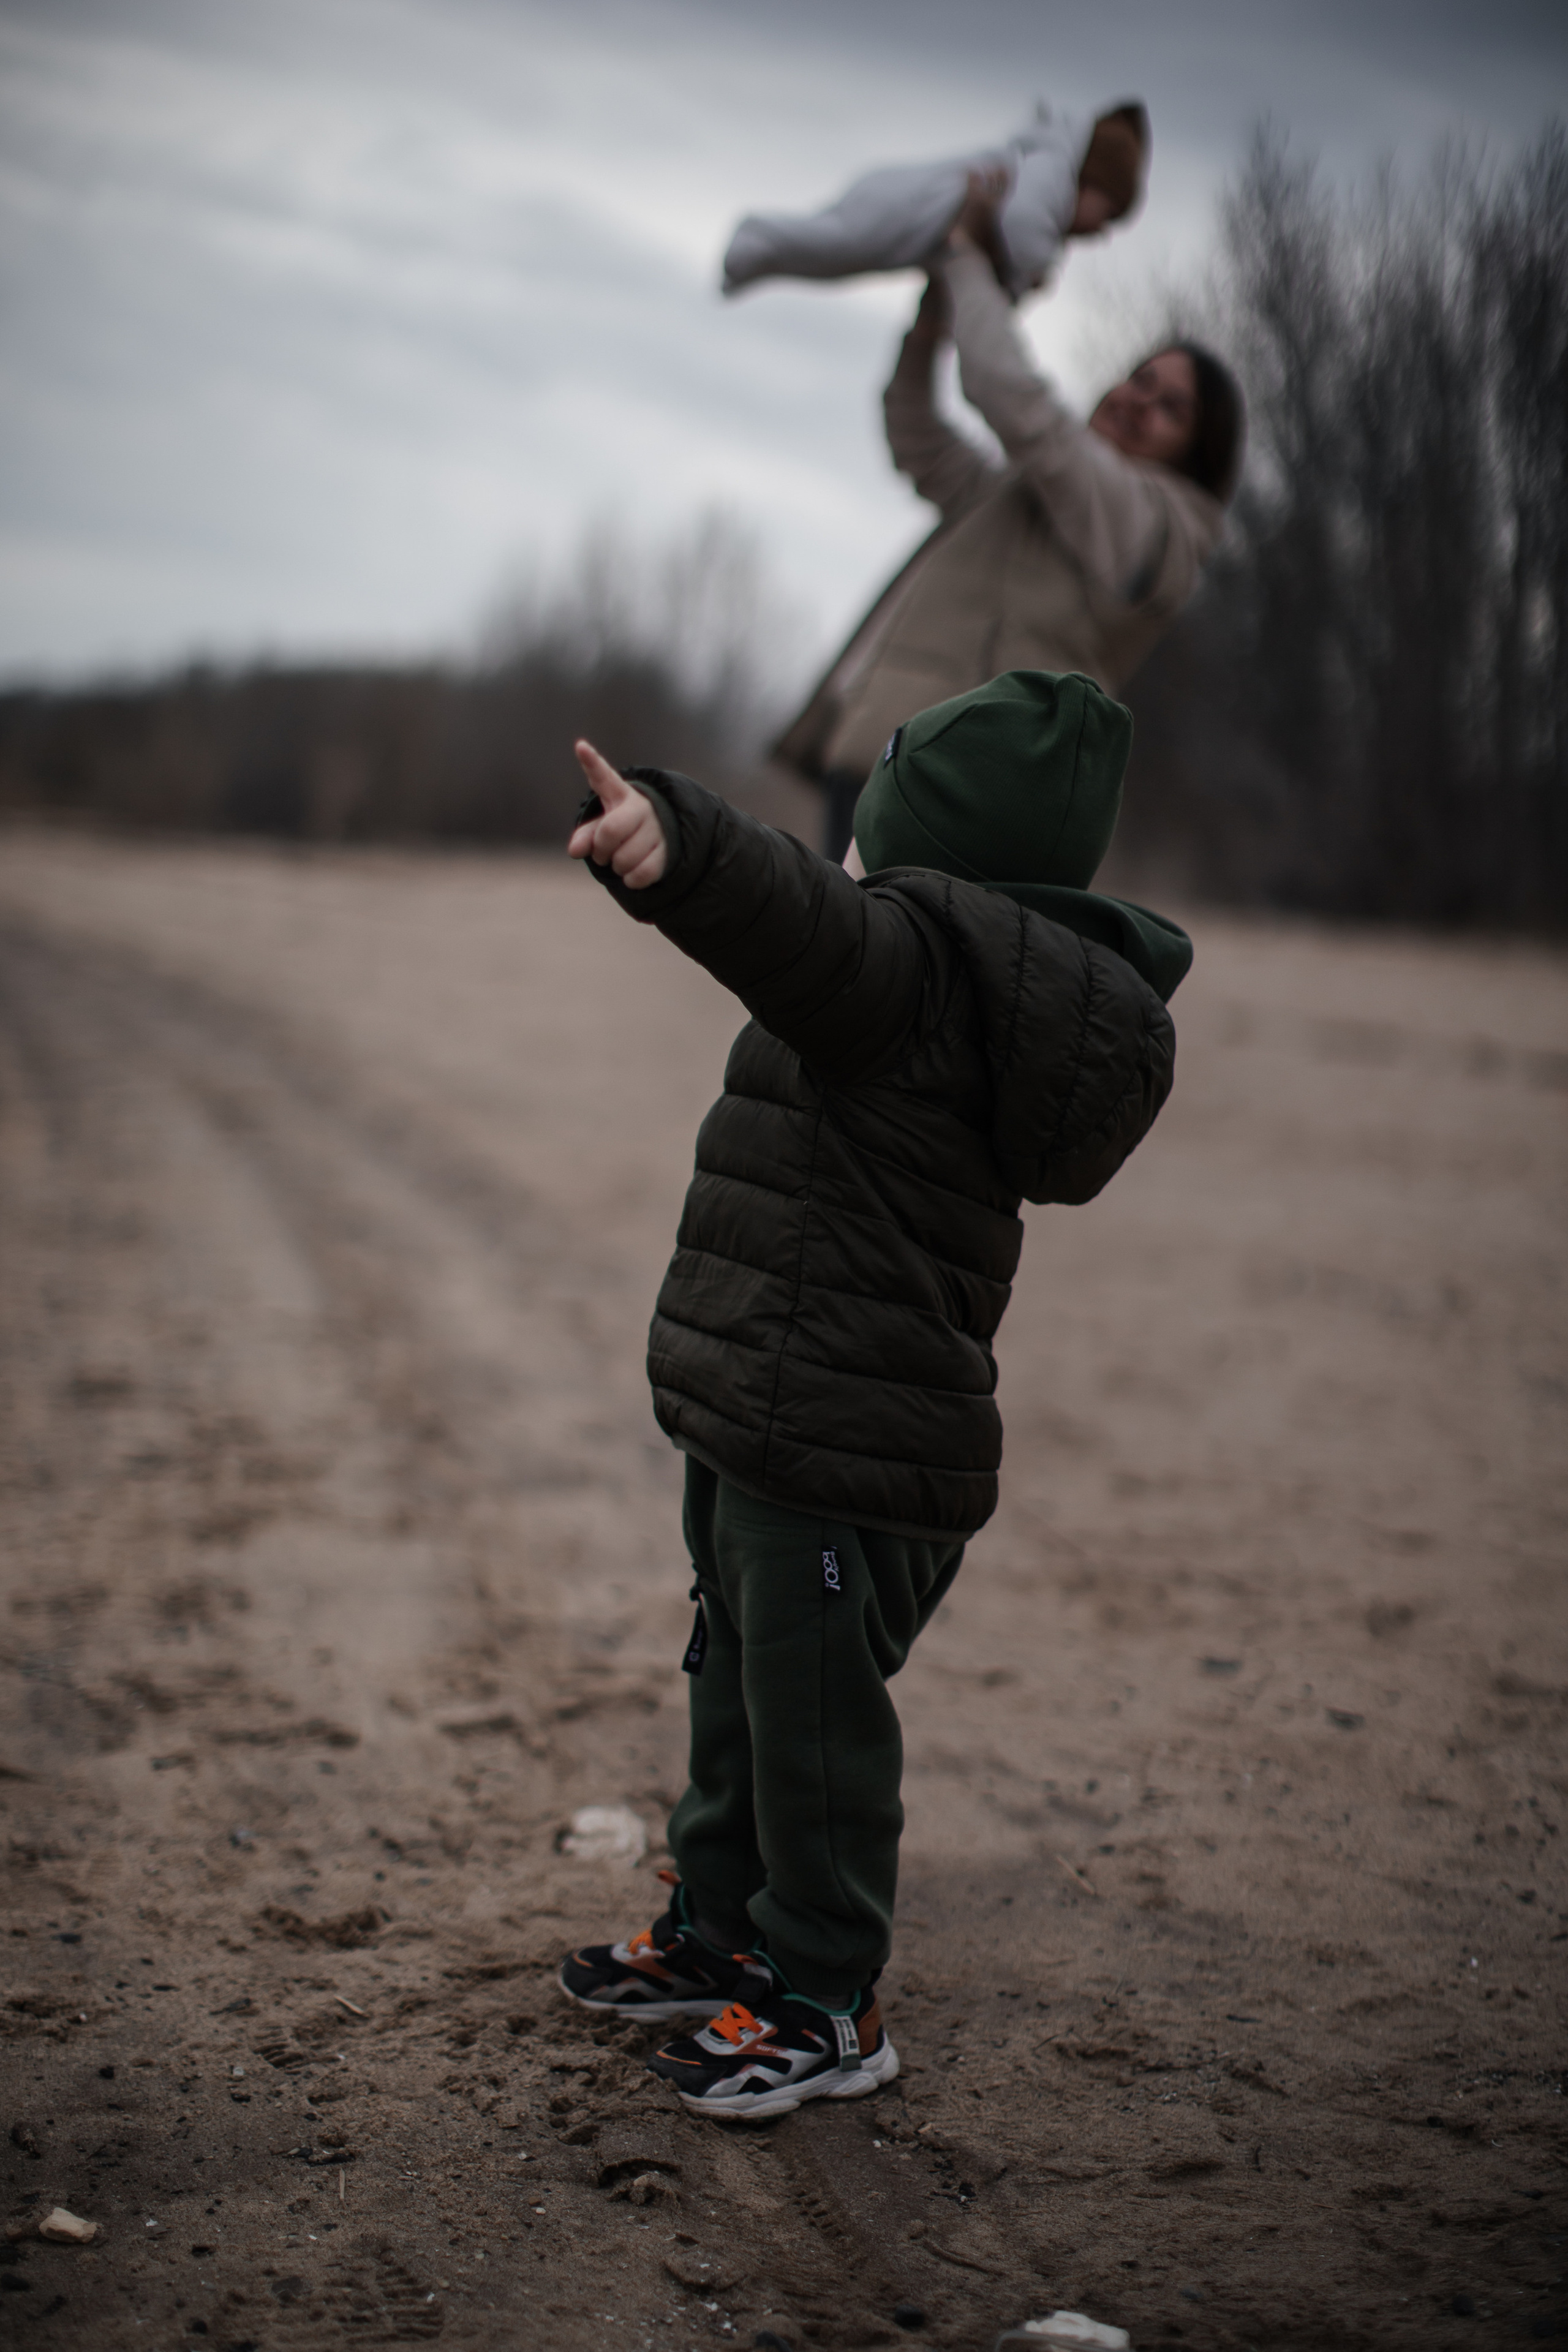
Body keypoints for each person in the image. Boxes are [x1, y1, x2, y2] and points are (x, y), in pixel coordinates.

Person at [556, 665, 1188, 2117]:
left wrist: (679, 846)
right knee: (743, 1682)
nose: (848, 834)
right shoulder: (947, 977)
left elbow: (788, 915)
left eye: (878, 815)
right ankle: (716, 1923)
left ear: (933, 852)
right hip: (779, 1415)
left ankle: (825, 1995)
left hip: (834, 1448)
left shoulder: (906, 969)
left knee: (815, 1727)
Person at [777, 177, 1246, 857]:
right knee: (831, 962)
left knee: (903, 965)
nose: (1139, 402)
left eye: (1171, 407)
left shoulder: (1159, 529)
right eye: (1140, 379)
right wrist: (934, 317)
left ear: (1200, 454)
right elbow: (916, 434)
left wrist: (968, 261)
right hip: (876, 759)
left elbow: (1010, 398)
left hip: (980, 792)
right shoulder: (1024, 491)